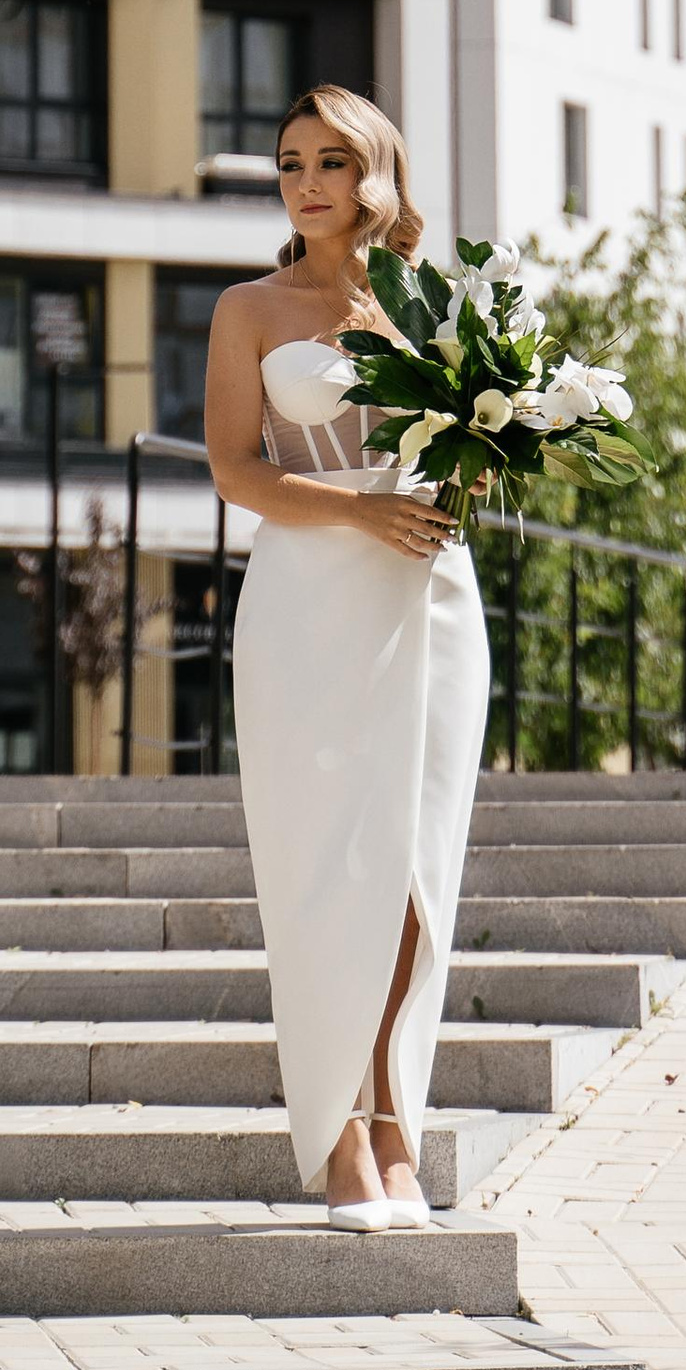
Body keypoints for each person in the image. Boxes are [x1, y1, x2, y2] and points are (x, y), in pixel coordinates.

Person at [204, 86, 489, 1232]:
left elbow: (473, 449)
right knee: (329, 869)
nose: (308, 181)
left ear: (377, 171)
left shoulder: (435, 304)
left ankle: (394, 1124)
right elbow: (236, 470)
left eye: (332, 160)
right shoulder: (248, 309)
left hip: (430, 596)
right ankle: (338, 1142)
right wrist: (360, 510)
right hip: (307, 602)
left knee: (418, 874)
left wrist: (468, 472)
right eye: (289, 163)